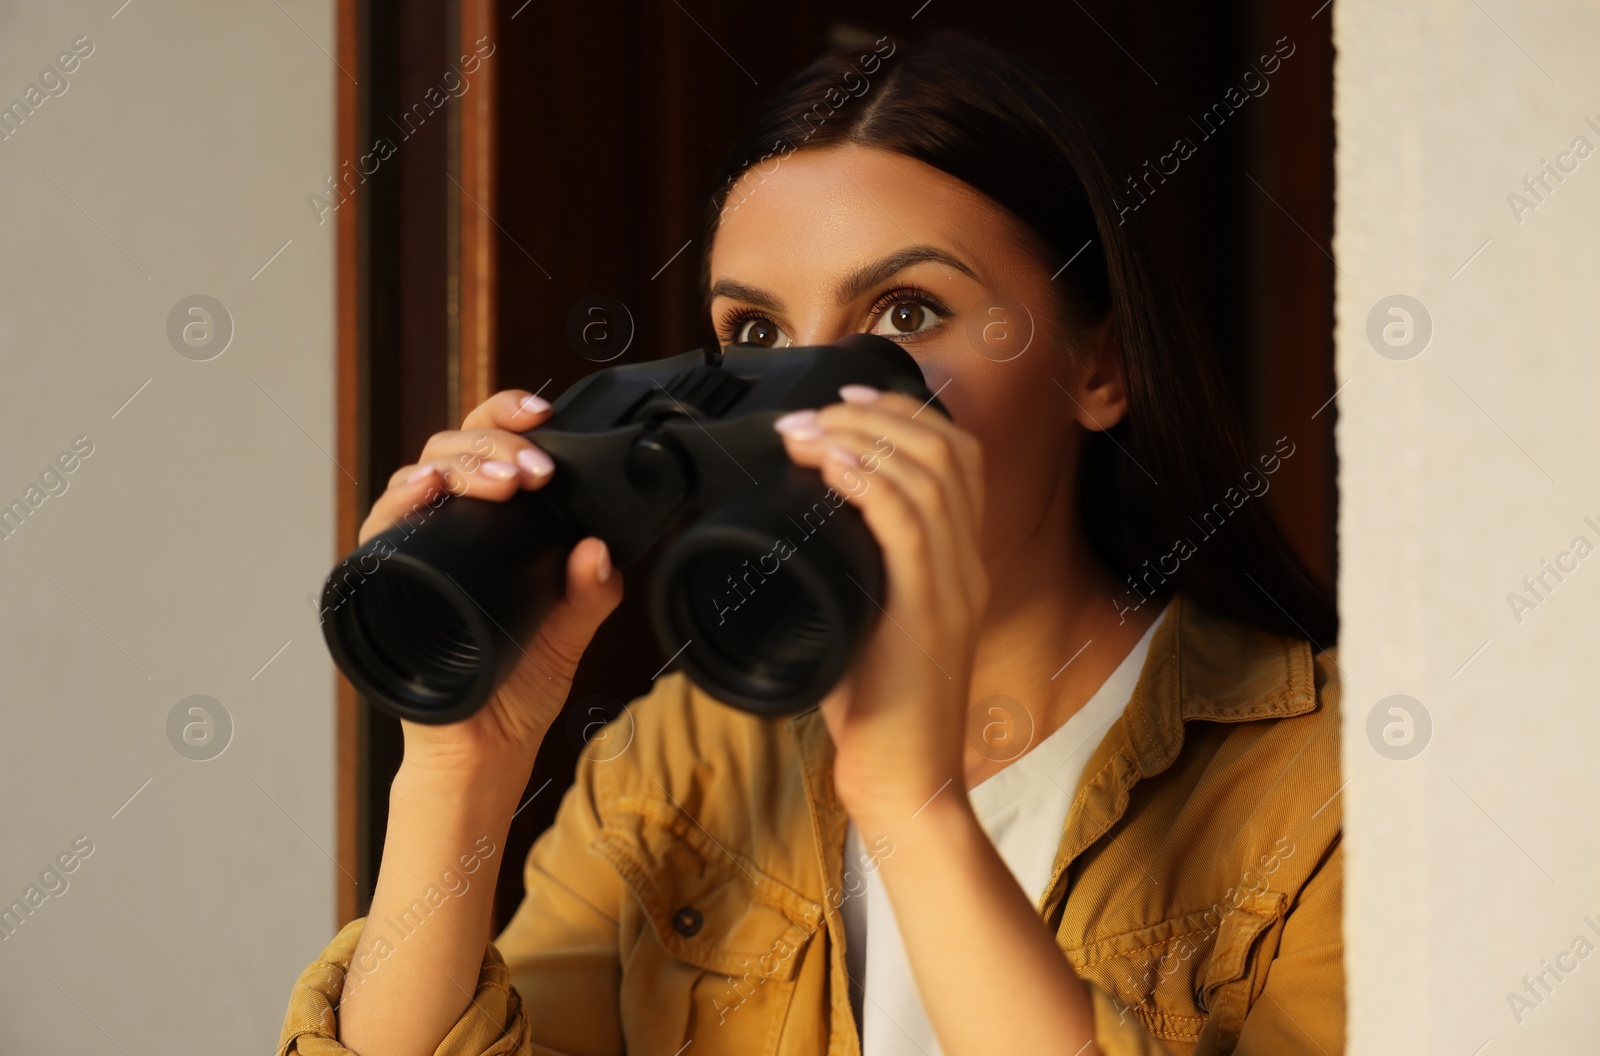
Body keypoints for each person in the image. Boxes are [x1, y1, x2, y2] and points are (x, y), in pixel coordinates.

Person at [279, 28, 1342, 1056]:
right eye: (754, 337)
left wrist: (910, 806)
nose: (805, 401)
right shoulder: (682, 765)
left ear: (1100, 366)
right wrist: (458, 766)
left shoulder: (1326, 787)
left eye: (907, 314)